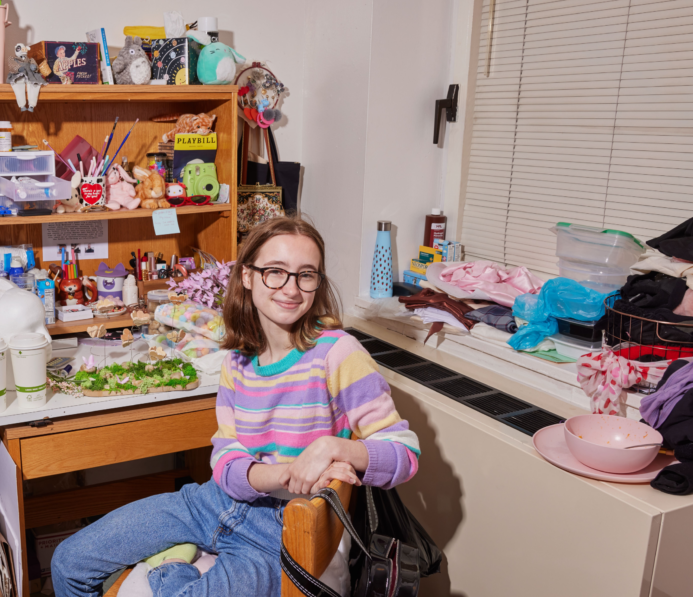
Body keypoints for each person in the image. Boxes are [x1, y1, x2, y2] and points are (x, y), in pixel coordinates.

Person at [52, 217, 419, 597]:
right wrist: (287, 471)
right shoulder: (236, 362)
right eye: (275, 272)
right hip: (211, 503)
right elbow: (226, 464)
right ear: (247, 276)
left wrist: (331, 447)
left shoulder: (337, 353)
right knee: (69, 563)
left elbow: (403, 455)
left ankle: (171, 572)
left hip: (278, 531)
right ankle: (174, 571)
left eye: (305, 275)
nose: (291, 289)